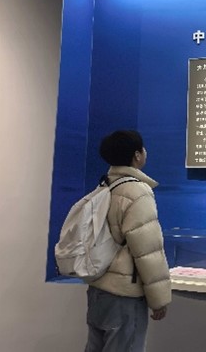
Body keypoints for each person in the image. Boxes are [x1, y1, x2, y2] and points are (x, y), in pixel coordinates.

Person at [85, 130, 171, 352]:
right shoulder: (137, 191)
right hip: (124, 295)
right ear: (137, 155)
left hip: (98, 288)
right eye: (142, 149)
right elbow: (147, 250)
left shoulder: (104, 186)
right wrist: (159, 299)